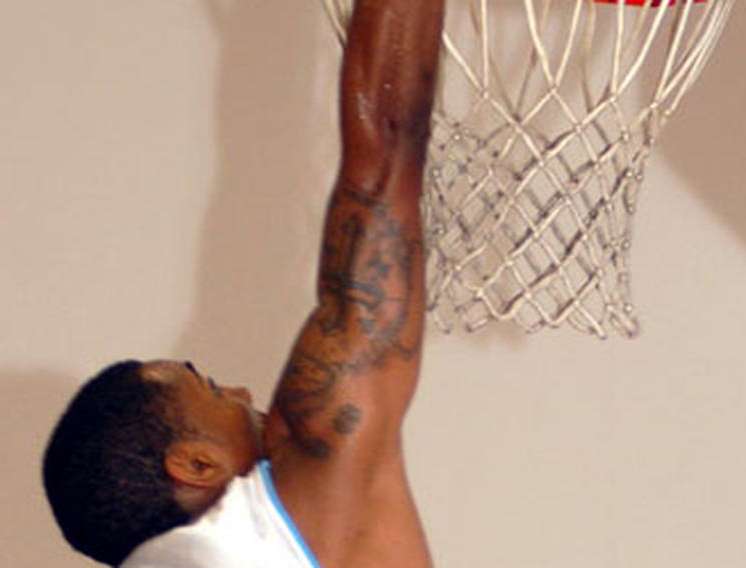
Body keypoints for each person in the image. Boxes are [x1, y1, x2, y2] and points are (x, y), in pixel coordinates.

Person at [42, 0, 444, 565]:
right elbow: (382, 160)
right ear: (196, 464)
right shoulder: (293, 483)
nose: (244, 394)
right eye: (213, 390)